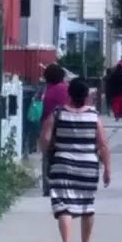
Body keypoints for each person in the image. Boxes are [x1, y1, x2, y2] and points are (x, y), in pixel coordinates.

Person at [41, 78, 110, 242]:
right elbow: (103, 145)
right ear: (87, 96)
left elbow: (46, 139)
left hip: (62, 165)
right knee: (87, 206)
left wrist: (46, 151)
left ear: (69, 94)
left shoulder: (58, 114)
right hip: (87, 166)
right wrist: (107, 169)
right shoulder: (94, 117)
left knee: (64, 207)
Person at [40, 64, 70, 196]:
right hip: (69, 126)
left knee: (48, 156)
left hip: (52, 128)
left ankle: (48, 186)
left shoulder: (48, 93)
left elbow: (45, 112)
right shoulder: (68, 89)